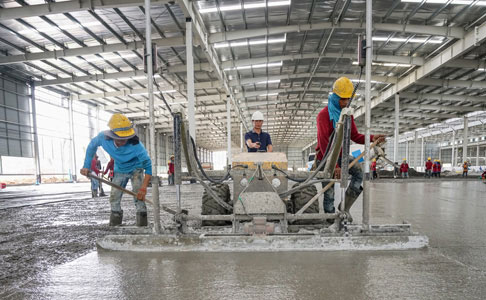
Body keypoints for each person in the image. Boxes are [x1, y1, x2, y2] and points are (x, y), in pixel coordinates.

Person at [315, 77, 385, 221]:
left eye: (348, 99)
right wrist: (334, 165)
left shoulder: (347, 114)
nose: (346, 102)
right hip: (325, 157)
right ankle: (330, 219)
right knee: (329, 191)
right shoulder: (324, 115)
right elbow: (323, 143)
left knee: (359, 173)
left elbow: (354, 135)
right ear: (335, 97)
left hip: (341, 155)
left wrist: (372, 138)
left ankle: (344, 208)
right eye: (343, 99)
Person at [80, 113, 152, 227]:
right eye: (119, 138)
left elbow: (148, 165)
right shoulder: (102, 138)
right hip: (120, 169)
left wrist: (143, 187)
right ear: (111, 134)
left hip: (136, 169)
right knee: (114, 196)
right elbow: (91, 147)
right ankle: (115, 223)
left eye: (125, 138)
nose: (123, 141)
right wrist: (86, 166)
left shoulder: (137, 145)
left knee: (139, 196)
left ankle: (142, 223)